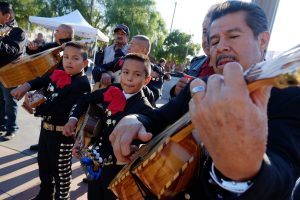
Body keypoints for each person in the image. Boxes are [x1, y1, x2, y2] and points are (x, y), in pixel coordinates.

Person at [109, 1, 300, 199]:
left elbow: (282, 176)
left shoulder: (290, 97)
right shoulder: (201, 85)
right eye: (215, 41)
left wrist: (245, 170)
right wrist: (136, 120)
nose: (221, 47)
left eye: (233, 36)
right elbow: (159, 117)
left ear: (262, 40)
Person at [63, 53, 153, 200]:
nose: (129, 78)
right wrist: (78, 130)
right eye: (125, 72)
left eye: (137, 74)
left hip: (117, 173)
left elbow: (137, 148)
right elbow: (85, 99)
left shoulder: (145, 110)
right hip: (94, 164)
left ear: (147, 80)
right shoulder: (113, 89)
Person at [11, 42, 91, 200]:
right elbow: (42, 80)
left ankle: (62, 197)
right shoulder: (60, 71)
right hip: (46, 129)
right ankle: (45, 193)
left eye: (75, 58)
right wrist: (26, 86)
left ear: (85, 63)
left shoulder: (81, 84)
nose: (68, 61)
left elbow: (62, 109)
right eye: (66, 57)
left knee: (60, 171)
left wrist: (35, 105)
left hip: (63, 135)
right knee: (44, 165)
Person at [26, 24, 74, 151]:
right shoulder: (54, 45)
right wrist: (32, 48)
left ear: (66, 34)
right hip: (48, 84)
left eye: (58, 31)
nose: (55, 32)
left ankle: (54, 145)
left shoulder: (73, 48)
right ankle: (42, 141)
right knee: (44, 114)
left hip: (63, 88)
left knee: (57, 117)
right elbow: (38, 50)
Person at [93, 35, 156, 106]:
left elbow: (152, 98)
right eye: (126, 72)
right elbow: (98, 68)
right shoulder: (121, 60)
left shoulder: (154, 72)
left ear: (143, 50)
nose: (128, 47)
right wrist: (103, 73)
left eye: (132, 44)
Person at [170, 5, 216, 97]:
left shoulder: (235, 70)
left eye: (213, 32)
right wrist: (176, 92)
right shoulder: (196, 63)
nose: (207, 39)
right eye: (204, 32)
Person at [0, 2, 26, 140]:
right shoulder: (1, 29)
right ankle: (2, 125)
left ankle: (11, 128)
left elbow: (14, 51)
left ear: (7, 16)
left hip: (11, 73)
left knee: (10, 101)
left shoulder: (18, 32)